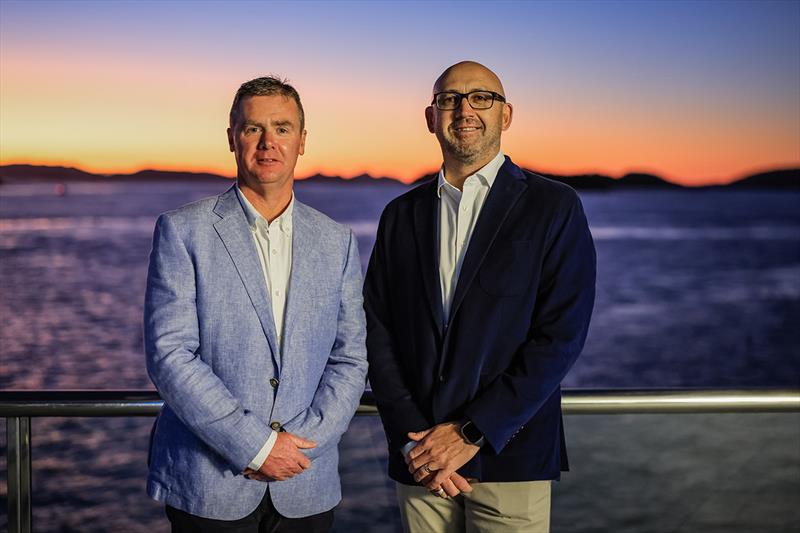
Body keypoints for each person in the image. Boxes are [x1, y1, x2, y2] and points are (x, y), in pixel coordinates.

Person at [364, 61, 596, 532]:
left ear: (505, 114)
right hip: (421, 460)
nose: (464, 109)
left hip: (510, 455)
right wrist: (413, 439)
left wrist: (472, 431)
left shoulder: (554, 206)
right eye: (449, 98)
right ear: (431, 117)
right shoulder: (399, 215)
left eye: (481, 97)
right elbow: (376, 329)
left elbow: (560, 337)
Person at [144, 76, 367, 533]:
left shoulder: (337, 241)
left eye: (282, 128)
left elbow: (349, 357)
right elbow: (170, 353)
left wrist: (303, 447)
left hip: (306, 483)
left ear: (302, 141)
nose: (268, 143)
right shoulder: (182, 231)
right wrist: (257, 447)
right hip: (210, 485)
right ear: (232, 138)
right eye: (253, 129)